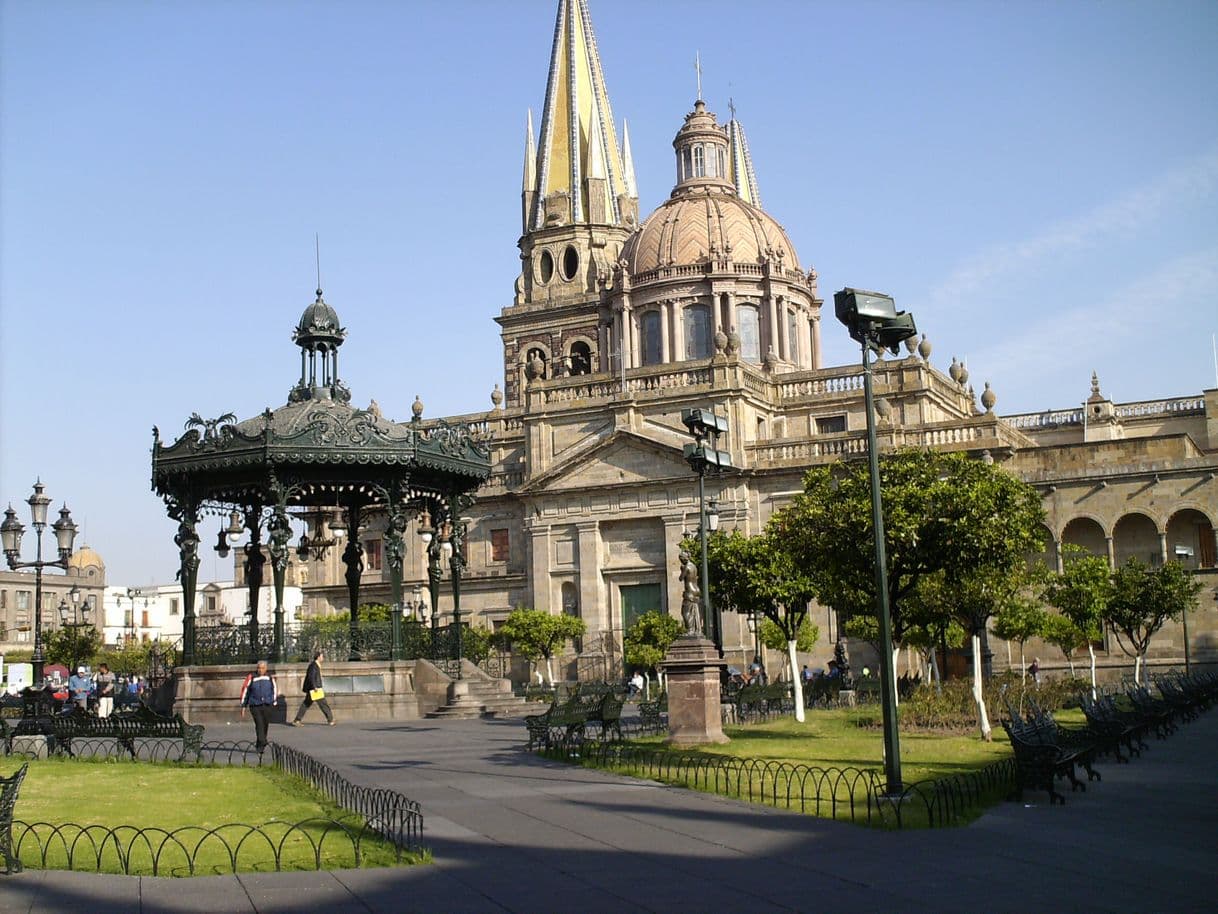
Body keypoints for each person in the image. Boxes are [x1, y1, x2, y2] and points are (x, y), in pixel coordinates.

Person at [240, 660, 278, 751]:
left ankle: (260, 744)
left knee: (265, 724)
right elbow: (245, 691)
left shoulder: (269, 678)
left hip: (267, 704)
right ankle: (262, 740)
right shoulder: (251, 677)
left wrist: (274, 702)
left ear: (266, 669)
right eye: (259, 668)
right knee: (259, 723)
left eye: (262, 668)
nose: (260, 670)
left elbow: (274, 690)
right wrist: (243, 706)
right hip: (255, 705)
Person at [291, 651, 335, 726]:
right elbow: (311, 677)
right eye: (322, 656)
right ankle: (330, 720)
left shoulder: (315, 665)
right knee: (323, 703)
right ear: (318, 657)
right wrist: (314, 686)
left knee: (306, 704)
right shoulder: (313, 666)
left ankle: (297, 720)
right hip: (315, 689)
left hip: (313, 688)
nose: (323, 658)